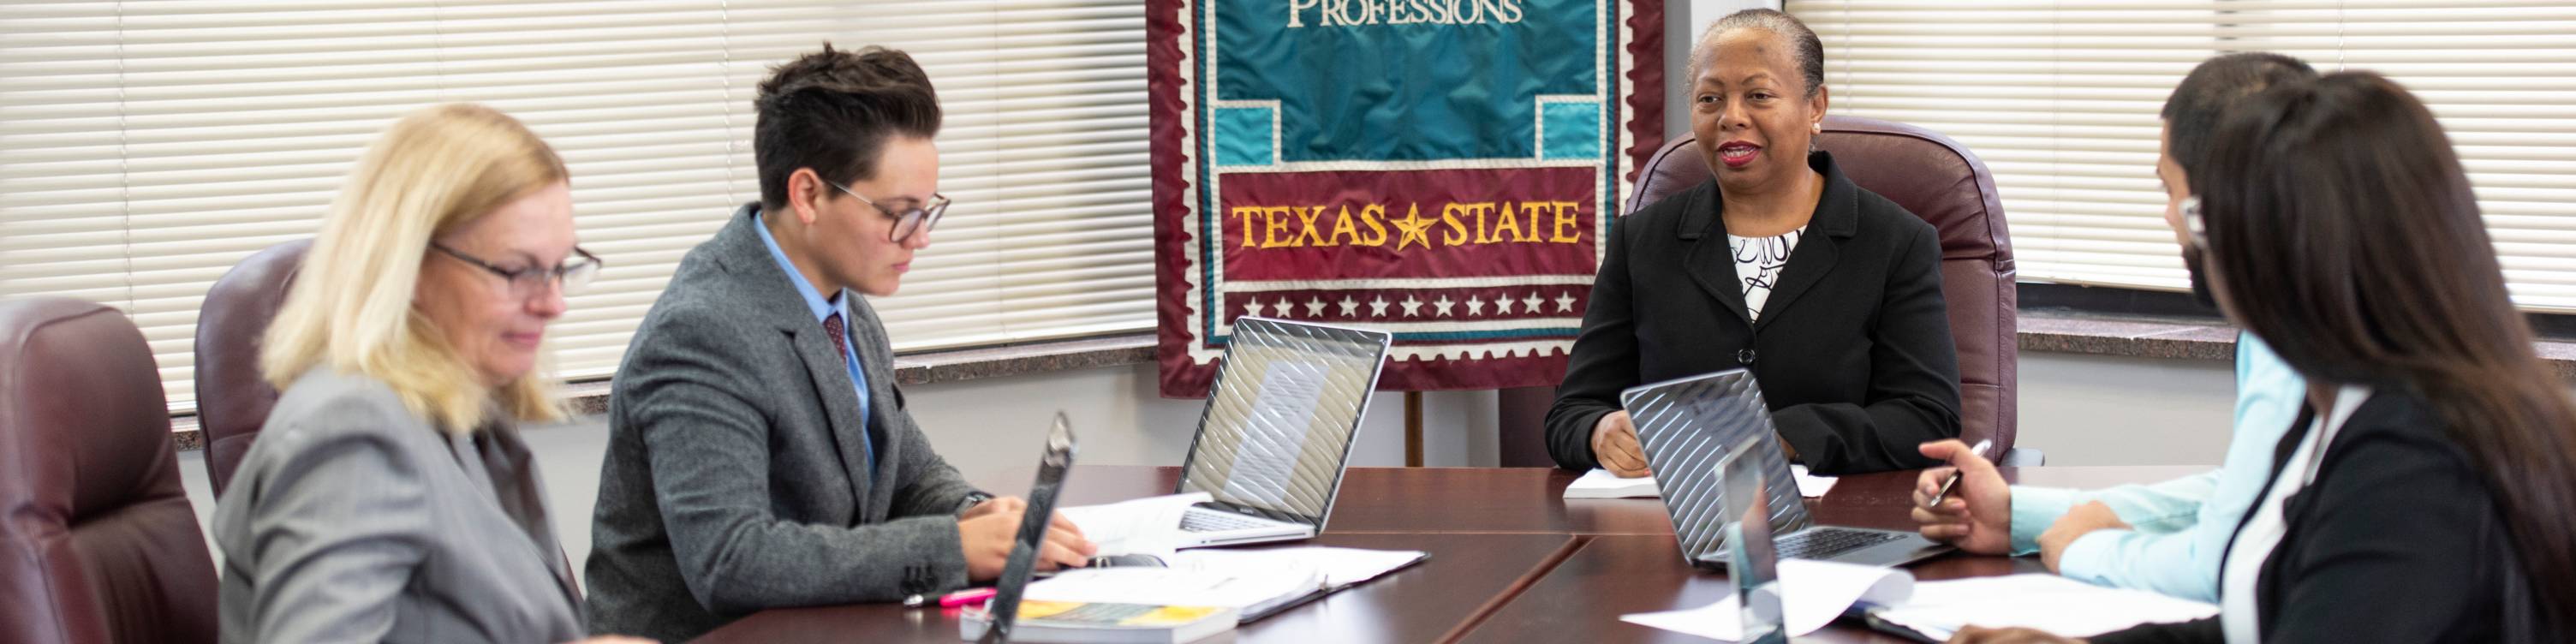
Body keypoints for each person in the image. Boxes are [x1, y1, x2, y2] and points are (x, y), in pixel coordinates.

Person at [1955, 72, 2576, 643]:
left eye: (2204, 214)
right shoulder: (2345, 407)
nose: (2191, 235)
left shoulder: (2415, 453)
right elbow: (2269, 617)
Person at [581, 45, 1096, 641]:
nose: (920, 238)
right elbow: (733, 560)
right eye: (900, 213)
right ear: (807, 195)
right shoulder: (704, 332)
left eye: (928, 210)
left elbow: (908, 474)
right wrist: (955, 547)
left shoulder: (840, 304)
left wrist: (975, 511)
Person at [212, 104, 642, 644]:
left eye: (560, 268)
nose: (553, 303)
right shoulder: (353, 432)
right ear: (409, 266)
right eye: (518, 270)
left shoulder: (456, 412)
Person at [1911, 53, 2316, 601]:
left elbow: (2221, 563)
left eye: (2170, 190)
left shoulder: (2321, 340)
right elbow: (2248, 496)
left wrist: (2079, 549)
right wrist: (2020, 516)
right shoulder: (2279, 325)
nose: (2168, 215)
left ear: (2216, 206)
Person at [1545, 9, 1961, 476]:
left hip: (1838, 521)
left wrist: (1782, 437)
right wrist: (1599, 431)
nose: (1731, 117)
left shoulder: (1895, 242)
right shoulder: (1641, 240)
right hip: (1671, 526)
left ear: (1816, 107)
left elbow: (1927, 419)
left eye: (1759, 95)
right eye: (1709, 99)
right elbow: (1571, 412)